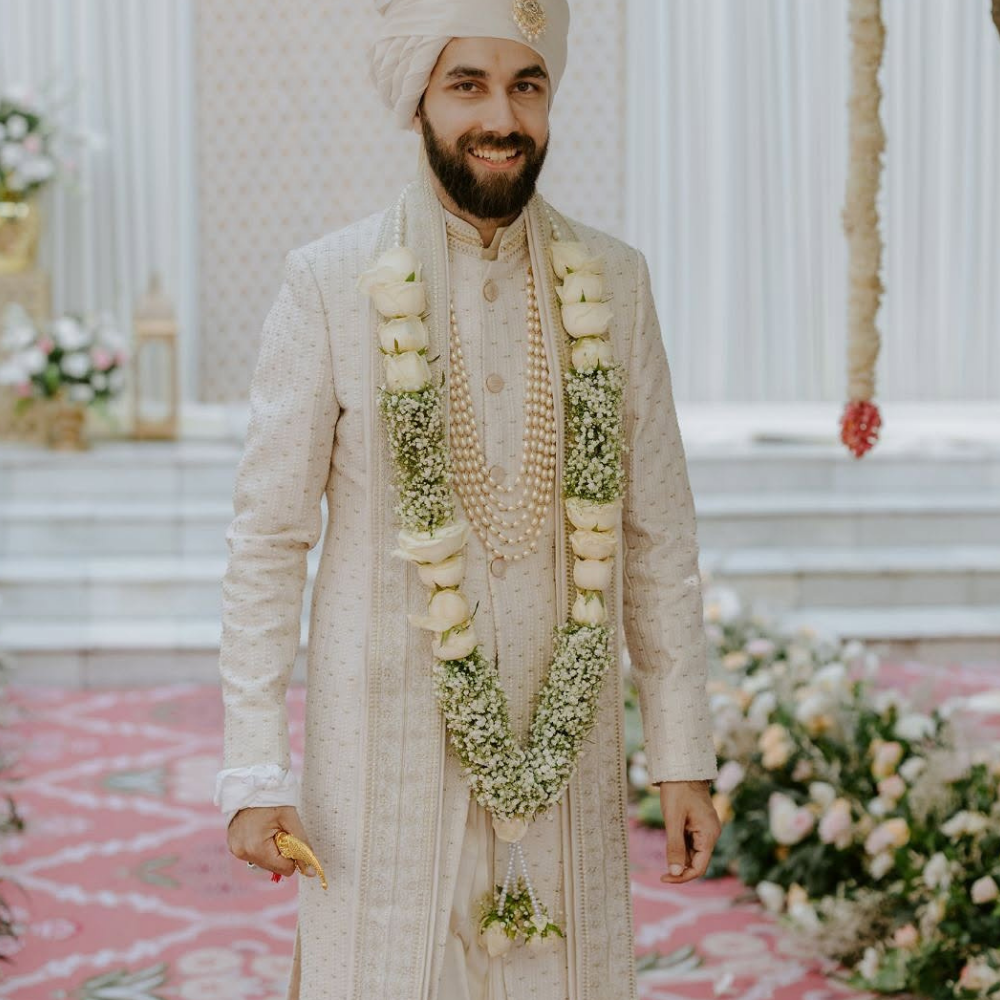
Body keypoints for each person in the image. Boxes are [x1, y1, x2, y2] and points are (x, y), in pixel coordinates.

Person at [214, 2, 721, 998]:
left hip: (560, 747)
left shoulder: (614, 283)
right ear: (417, 105)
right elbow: (268, 540)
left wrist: (681, 753)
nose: (502, 115)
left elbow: (659, 535)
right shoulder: (328, 283)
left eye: (526, 84)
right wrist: (253, 773)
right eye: (468, 85)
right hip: (380, 763)